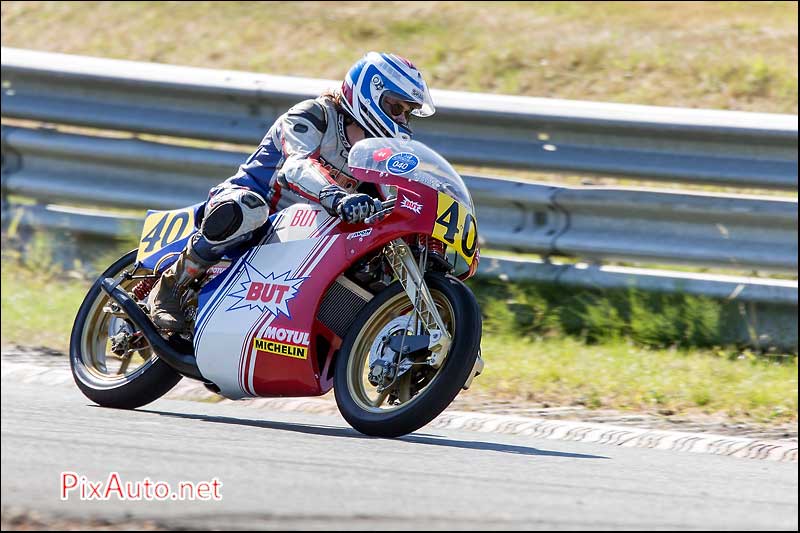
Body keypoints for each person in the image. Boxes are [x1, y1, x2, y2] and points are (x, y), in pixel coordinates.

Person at [149, 52, 436, 332]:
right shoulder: (314, 115)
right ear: (370, 93)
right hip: (254, 205)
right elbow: (295, 166)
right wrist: (337, 196)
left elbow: (397, 196)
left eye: (407, 113)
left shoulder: (379, 153)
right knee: (248, 209)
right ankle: (171, 286)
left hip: (303, 234)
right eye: (396, 108)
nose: (402, 120)